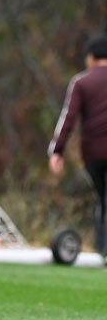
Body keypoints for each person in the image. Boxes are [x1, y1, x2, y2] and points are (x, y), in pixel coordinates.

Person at [48, 34, 107, 260]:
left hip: (93, 152)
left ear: (91, 58)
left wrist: (57, 150)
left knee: (102, 198)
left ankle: (102, 247)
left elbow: (68, 118)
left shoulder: (82, 82)